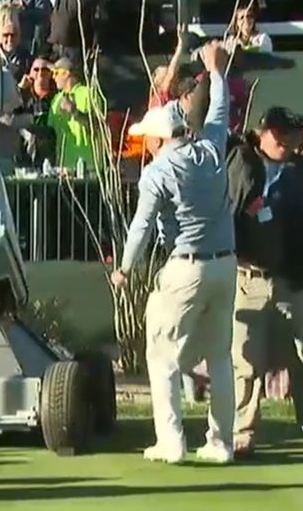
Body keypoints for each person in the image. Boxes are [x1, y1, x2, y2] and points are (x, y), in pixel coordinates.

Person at [113, 40, 236, 465]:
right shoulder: (211, 149)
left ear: (162, 137)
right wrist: (217, 72)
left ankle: (172, 441)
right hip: (226, 265)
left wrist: (124, 269)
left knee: (162, 354)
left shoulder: (158, 172)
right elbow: (219, 110)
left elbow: (142, 225)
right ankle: (221, 443)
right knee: (220, 356)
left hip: (185, 267)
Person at [226, 107, 303, 456]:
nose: (284, 139)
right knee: (245, 361)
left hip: (292, 282)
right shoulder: (243, 165)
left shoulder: (298, 175)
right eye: (277, 132)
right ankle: (243, 431)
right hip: (249, 278)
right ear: (262, 133)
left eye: (291, 132)